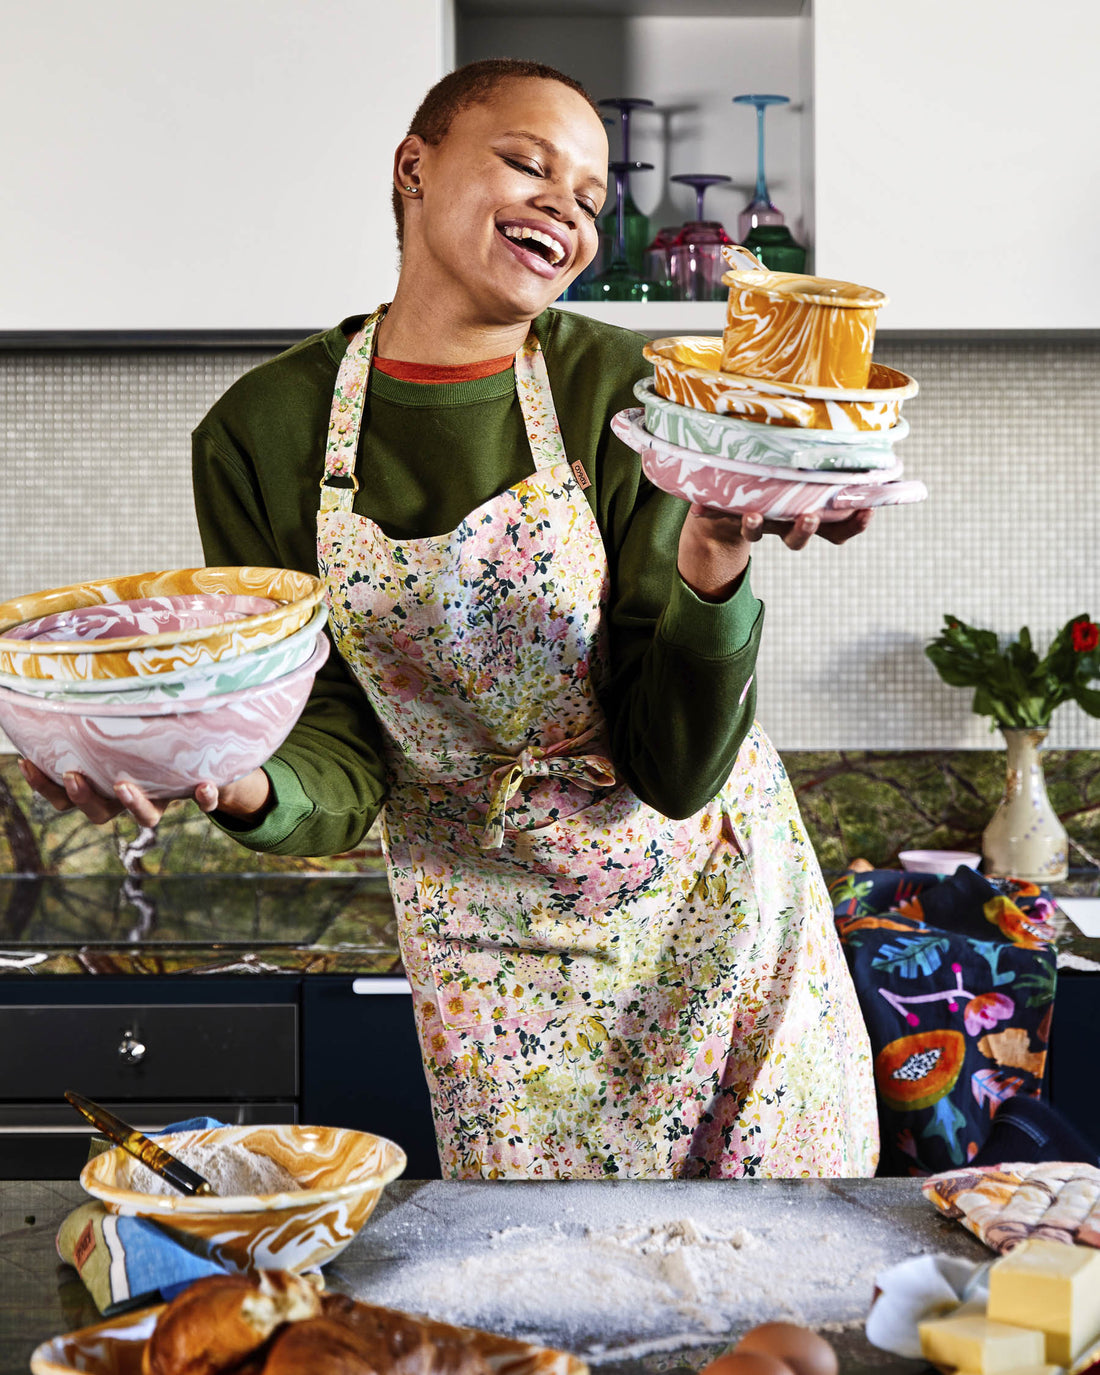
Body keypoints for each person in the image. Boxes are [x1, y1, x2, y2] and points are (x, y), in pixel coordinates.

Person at [21, 58, 879, 1180]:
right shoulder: (261, 432)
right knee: (542, 1297)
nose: (561, 210)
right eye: (526, 163)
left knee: (761, 1293)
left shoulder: (633, 395)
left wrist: (715, 561)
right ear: (413, 169)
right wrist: (235, 775)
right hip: (484, 937)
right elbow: (329, 740)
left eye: (586, 199)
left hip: (704, 907)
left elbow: (673, 767)